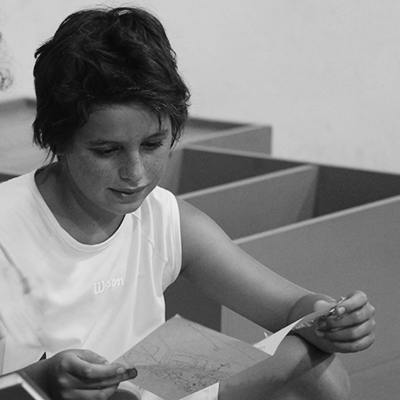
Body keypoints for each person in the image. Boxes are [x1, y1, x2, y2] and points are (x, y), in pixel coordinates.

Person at [0, 6, 375, 400]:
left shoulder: (166, 220)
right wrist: (41, 378)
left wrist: (333, 319)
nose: (135, 173)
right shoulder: (9, 225)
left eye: (153, 145)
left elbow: (291, 307)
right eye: (107, 151)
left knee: (316, 370)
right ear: (57, 140)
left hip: (144, 389)